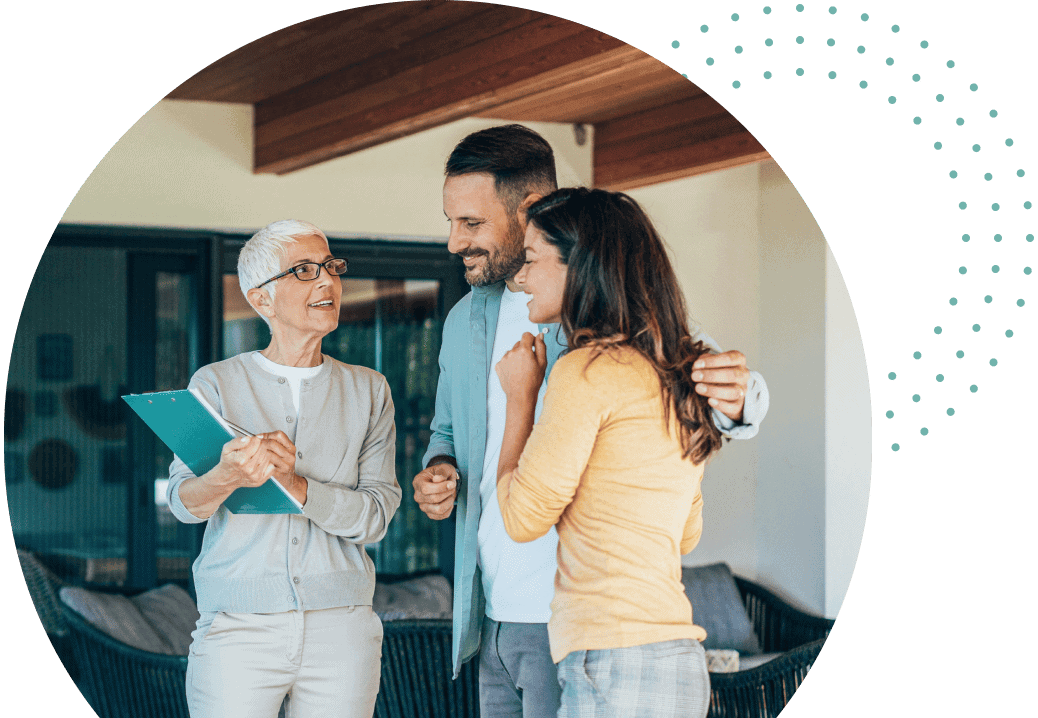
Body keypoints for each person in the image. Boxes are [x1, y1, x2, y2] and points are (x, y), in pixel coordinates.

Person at [412, 124, 769, 718]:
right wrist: (438, 468)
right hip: (490, 617)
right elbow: (447, 431)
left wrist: (739, 403)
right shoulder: (461, 322)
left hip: (572, 623)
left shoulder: (602, 321)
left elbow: (709, 377)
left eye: (470, 224)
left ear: (529, 211)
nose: (454, 243)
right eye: (452, 222)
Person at [495, 187, 721, 717]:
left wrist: (519, 400)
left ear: (580, 267)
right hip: (681, 659)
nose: (522, 277)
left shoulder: (586, 370)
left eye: (531, 260)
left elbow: (523, 517)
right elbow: (687, 533)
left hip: (613, 658)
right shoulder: (678, 376)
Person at [167, 219, 402, 718]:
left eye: (330, 267)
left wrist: (297, 485)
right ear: (261, 300)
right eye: (303, 270)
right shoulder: (215, 384)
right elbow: (183, 503)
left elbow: (377, 515)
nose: (327, 282)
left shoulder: (370, 389)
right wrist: (226, 475)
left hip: (342, 630)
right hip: (238, 628)